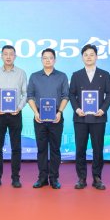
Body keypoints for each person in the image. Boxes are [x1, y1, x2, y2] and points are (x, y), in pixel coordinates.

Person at [69, 44, 110, 190]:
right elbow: (71, 94)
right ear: (82, 57)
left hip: (98, 117)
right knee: (80, 148)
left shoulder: (104, 74)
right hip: (80, 118)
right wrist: (77, 109)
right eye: (86, 55)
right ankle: (81, 178)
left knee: (98, 148)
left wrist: (103, 109)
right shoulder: (76, 75)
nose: (89, 57)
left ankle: (97, 177)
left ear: (96, 57)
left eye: (91, 54)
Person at [0, 45, 28, 188]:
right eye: (5, 54)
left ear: (15, 56)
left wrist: (19, 107)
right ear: (1, 56)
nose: (8, 56)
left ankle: (16, 178)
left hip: (16, 114)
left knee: (16, 147)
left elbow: (25, 93)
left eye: (11, 54)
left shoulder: (21, 73)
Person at [27, 48, 69, 190]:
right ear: (41, 60)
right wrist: (35, 112)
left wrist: (60, 112)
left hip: (56, 116)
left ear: (54, 60)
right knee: (42, 149)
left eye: (50, 58)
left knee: (55, 149)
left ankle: (54, 178)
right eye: (45, 58)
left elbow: (65, 96)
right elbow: (30, 96)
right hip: (39, 116)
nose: (47, 60)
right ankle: (42, 178)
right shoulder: (34, 76)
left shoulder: (62, 76)